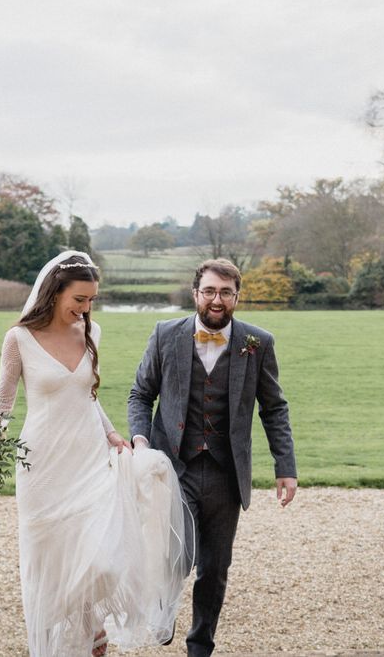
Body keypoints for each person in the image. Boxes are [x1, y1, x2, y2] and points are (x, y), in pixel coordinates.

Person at [0, 250, 192, 657]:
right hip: (42, 463)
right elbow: (2, 404)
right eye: (79, 300)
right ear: (54, 293)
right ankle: (68, 639)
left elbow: (87, 396)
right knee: (52, 556)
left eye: (91, 301)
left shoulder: (90, 331)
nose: (85, 309)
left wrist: (113, 433)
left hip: (88, 456)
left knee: (101, 556)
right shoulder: (19, 339)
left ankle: (91, 625)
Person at [128, 258, 298, 657]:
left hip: (226, 471)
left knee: (215, 567)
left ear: (236, 296)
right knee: (176, 554)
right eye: (209, 291)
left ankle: (201, 644)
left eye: (225, 292)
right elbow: (140, 393)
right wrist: (139, 440)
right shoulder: (166, 334)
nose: (216, 299)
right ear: (195, 294)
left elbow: (274, 408)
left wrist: (284, 468)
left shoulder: (258, 343)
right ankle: (163, 610)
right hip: (174, 465)